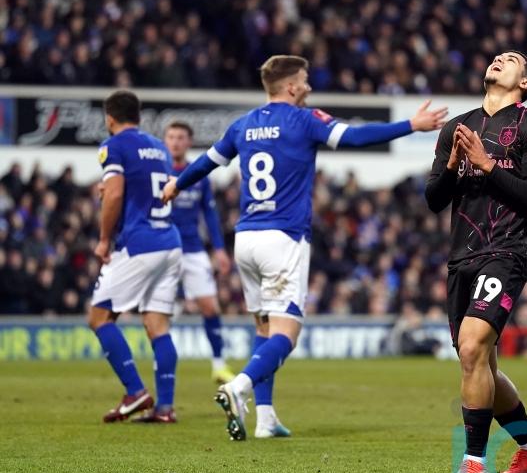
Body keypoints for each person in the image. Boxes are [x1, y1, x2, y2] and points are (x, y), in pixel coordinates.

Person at [162, 55, 446, 440]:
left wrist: (176, 185)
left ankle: (264, 418)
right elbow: (354, 137)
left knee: (264, 327)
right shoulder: (304, 120)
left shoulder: (243, 125)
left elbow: (206, 163)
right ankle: (239, 387)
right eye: (305, 80)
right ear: (292, 86)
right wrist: (411, 125)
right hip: (283, 238)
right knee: (287, 333)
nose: (309, 86)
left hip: (245, 237)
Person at [425, 51, 527, 473]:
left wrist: (486, 165)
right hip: (461, 257)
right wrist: (450, 166)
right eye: (497, 56)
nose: (499, 59)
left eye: (512, 60)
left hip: (506, 250)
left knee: (474, 341)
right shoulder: (455, 128)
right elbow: (434, 199)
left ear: (526, 83)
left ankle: (474, 461)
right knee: (477, 361)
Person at [88, 90, 182, 424]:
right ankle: (166, 408)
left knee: (99, 317)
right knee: (157, 323)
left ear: (109, 118)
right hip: (170, 242)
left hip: (140, 243)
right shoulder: (158, 146)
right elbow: (148, 187)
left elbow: (115, 191)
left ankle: (135, 391)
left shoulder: (113, 145)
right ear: (139, 116)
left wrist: (103, 240)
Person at [164, 120, 236, 384]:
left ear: (189, 142)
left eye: (180, 137)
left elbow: (209, 213)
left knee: (210, 306)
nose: (175, 141)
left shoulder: (198, 174)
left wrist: (219, 249)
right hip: (163, 248)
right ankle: (163, 369)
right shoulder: (158, 171)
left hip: (193, 248)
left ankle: (218, 365)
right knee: (160, 312)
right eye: (171, 137)